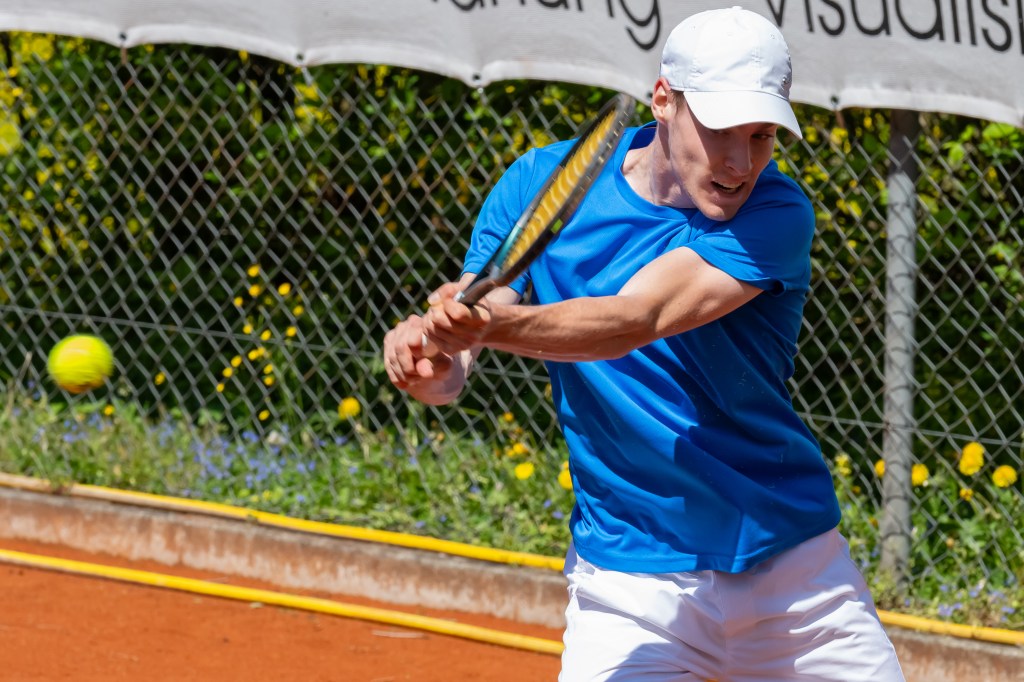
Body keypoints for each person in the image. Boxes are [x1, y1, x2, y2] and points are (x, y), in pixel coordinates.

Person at [382, 6, 904, 681]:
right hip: (630, 586)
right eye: (720, 131)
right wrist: (435, 361)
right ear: (663, 100)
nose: (740, 162)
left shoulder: (775, 213)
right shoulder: (539, 184)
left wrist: (487, 326)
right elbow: (470, 342)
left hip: (793, 579)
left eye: (762, 135)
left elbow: (636, 317)